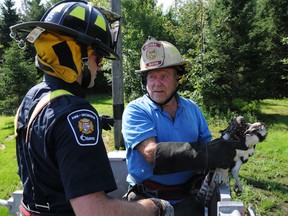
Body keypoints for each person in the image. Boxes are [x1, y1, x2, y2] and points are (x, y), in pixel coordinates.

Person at [12, 1, 173, 216]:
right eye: (98, 57)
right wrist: (153, 208)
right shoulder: (76, 115)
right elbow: (93, 211)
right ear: (76, 55)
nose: (101, 66)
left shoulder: (33, 97)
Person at [122, 37, 242, 216]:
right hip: (147, 203)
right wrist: (207, 153)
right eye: (152, 76)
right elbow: (151, 153)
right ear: (144, 81)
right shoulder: (136, 110)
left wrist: (226, 148)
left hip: (189, 201)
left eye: (164, 76)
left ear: (177, 79)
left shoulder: (192, 109)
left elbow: (207, 148)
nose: (156, 83)